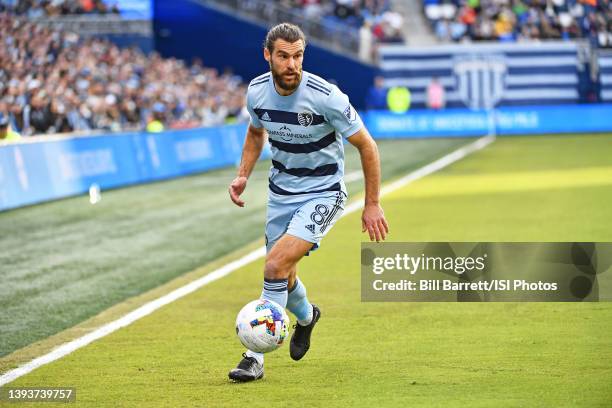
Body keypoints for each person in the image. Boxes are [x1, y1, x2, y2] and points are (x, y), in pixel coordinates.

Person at [227, 23, 389, 382]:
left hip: (324, 193)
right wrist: (243, 174)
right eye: (283, 56)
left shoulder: (326, 96)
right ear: (267, 55)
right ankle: (307, 316)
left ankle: (254, 357)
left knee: (274, 265)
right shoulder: (256, 92)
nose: (292, 64)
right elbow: (256, 132)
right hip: (281, 193)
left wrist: (372, 203)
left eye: (298, 55)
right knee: (283, 277)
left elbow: (367, 146)